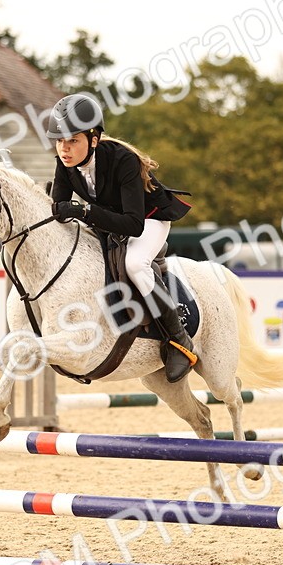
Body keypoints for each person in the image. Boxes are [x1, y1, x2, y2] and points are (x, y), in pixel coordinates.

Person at [45, 93, 196, 382]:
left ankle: (178, 340)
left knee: (135, 264)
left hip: (148, 219)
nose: (64, 148)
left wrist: (84, 211)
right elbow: (60, 209)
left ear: (93, 139)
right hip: (111, 221)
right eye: (59, 141)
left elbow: (133, 225)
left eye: (72, 140)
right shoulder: (65, 163)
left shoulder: (123, 160)